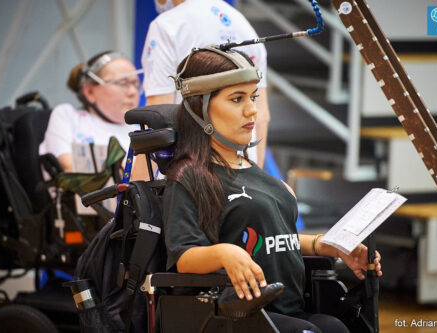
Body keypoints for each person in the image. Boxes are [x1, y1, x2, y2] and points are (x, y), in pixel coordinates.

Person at [162, 47, 382, 333]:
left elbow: (275, 237)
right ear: (199, 108)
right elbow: (183, 256)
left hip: (291, 305)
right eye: (237, 99)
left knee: (339, 327)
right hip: (240, 313)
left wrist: (323, 244)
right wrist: (225, 253)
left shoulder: (256, 172)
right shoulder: (188, 177)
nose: (252, 109)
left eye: (252, 96)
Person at [141, 0, 270, 167]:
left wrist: (141, 184)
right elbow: (261, 115)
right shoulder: (243, 23)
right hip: (243, 166)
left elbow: (158, 115)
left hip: (191, 168)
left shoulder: (167, 25)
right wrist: (258, 175)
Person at [39, 51, 141, 172]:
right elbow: (69, 168)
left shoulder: (141, 130)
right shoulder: (67, 117)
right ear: (89, 92)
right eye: (122, 83)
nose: (133, 92)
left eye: (136, 84)